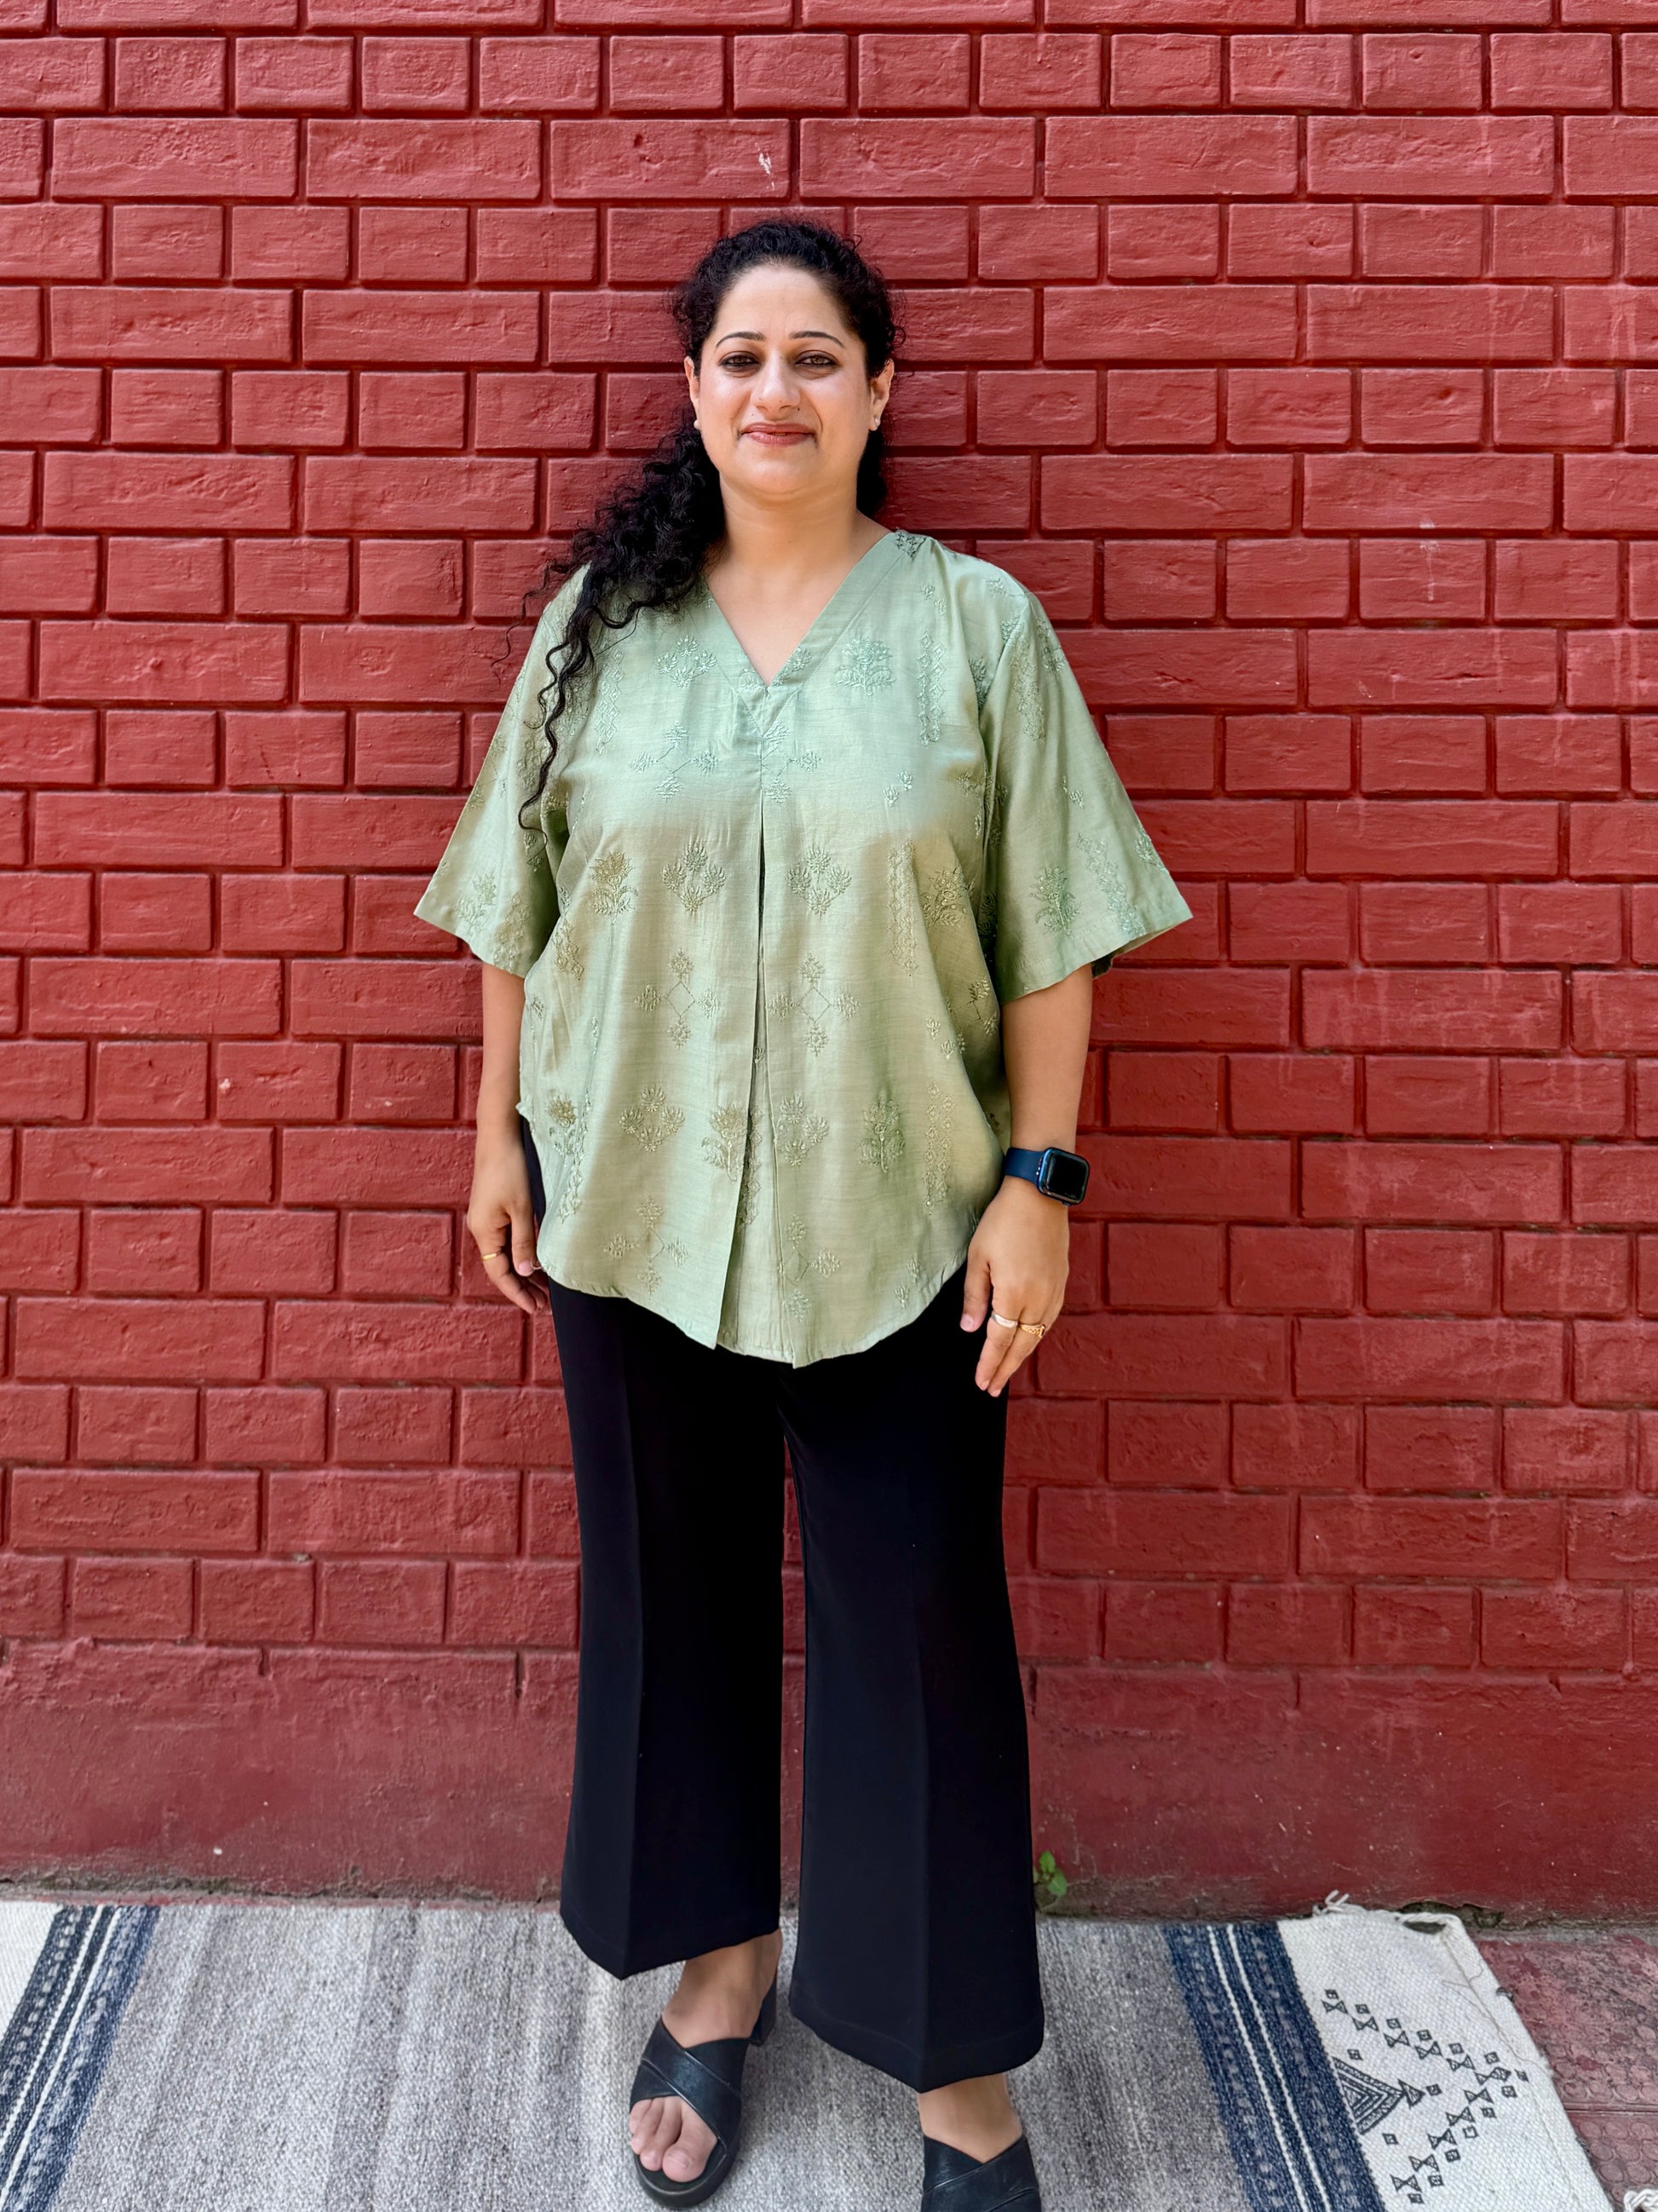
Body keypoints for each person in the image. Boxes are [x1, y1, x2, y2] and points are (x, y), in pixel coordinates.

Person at [414, 218, 1190, 2212]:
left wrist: (1038, 1180)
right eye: (742, 357)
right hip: (632, 1201)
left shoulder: (973, 629)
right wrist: (495, 1135)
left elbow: (1057, 928)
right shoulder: (601, 625)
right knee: (666, 1600)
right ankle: (717, 1966)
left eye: (816, 356)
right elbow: (515, 901)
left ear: (878, 392)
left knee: (920, 1630)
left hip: (905, 1216)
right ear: (695, 393)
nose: (777, 389)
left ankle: (954, 2069)